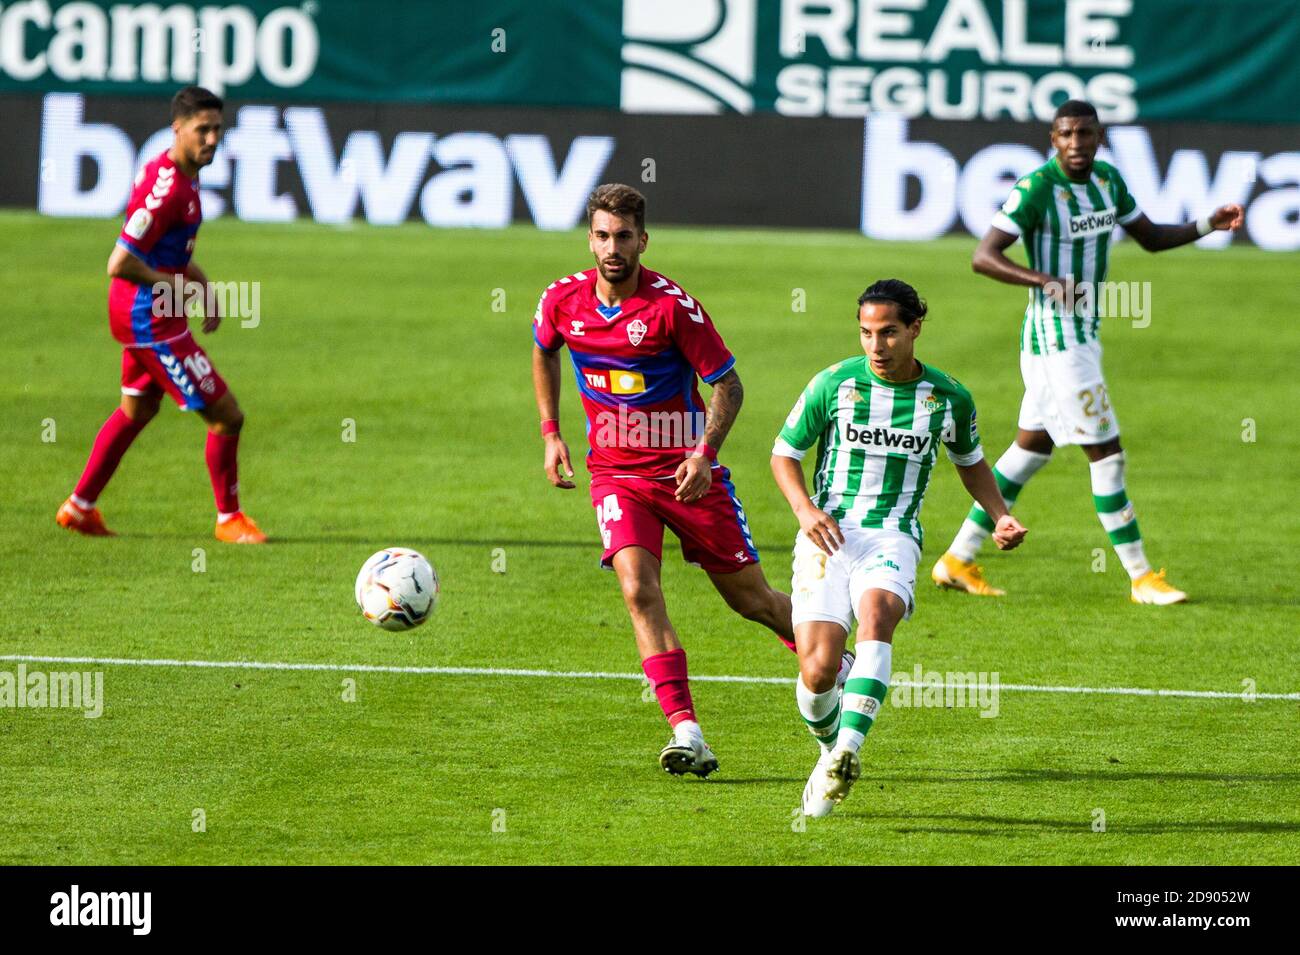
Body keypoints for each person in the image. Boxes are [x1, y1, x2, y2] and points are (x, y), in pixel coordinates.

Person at [531, 183, 845, 778]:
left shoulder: (672, 307)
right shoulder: (560, 300)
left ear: (643, 240)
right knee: (636, 589)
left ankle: (841, 664)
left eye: (624, 236)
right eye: (602, 235)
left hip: (685, 475)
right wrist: (551, 431)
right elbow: (545, 349)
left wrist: (704, 454)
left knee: (750, 600)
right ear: (590, 238)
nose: (613, 247)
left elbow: (729, 384)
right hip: (617, 474)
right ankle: (688, 732)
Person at [931, 100, 1243, 603]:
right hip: (1056, 340)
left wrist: (1208, 223)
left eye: (1086, 133)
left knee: (1031, 450)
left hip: (1084, 333)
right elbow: (983, 257)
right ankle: (1142, 577)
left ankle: (957, 559)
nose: (1076, 143)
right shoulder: (1036, 189)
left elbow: (1153, 237)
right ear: (1053, 139)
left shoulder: (1108, 183)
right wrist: (1045, 280)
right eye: (1066, 134)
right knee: (1107, 454)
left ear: (1099, 138)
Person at [772, 279, 1027, 817]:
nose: (876, 346)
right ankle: (827, 751)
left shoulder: (948, 397)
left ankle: (848, 748)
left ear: (914, 329)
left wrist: (1000, 514)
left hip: (892, 535)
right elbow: (784, 454)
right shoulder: (834, 384)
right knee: (818, 671)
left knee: (877, 616)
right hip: (828, 533)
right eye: (866, 333)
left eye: (888, 332)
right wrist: (804, 510)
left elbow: (971, 463)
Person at [56, 86, 265, 544]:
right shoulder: (166, 188)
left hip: (146, 314)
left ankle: (79, 507)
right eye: (202, 130)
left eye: (217, 130)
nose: (212, 139)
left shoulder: (180, 179)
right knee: (227, 416)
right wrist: (176, 288)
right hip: (149, 318)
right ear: (178, 128)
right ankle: (229, 519)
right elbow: (121, 261)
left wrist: (201, 284)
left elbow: (166, 251)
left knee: (137, 409)